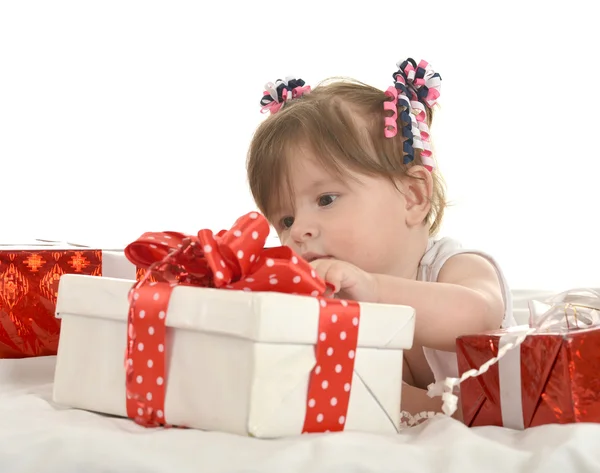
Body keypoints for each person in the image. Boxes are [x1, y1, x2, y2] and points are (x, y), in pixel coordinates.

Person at [246, 58, 517, 421]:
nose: (297, 231)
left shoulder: (453, 266)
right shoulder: (335, 303)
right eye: (285, 218)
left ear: (413, 197)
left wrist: (374, 289)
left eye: (326, 199)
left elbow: (478, 315)